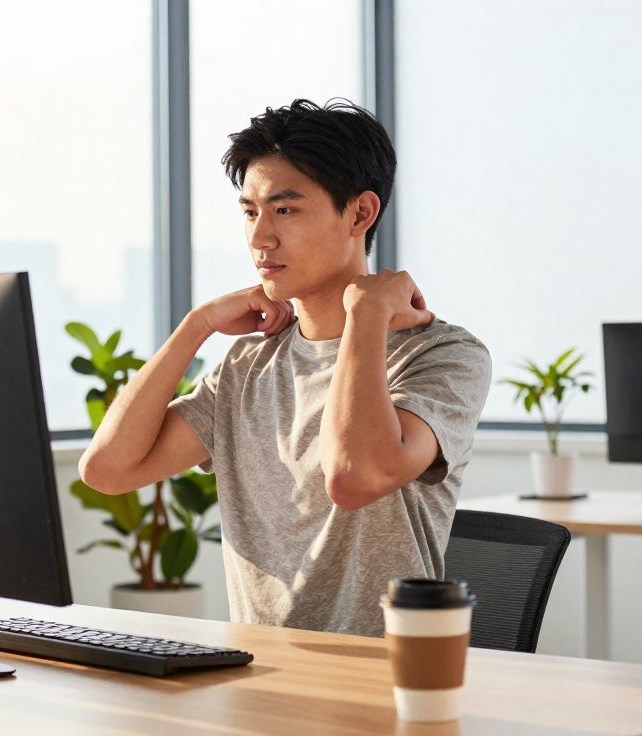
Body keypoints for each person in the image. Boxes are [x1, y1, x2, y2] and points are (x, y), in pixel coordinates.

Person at [79, 99, 492, 637]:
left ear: (360, 214)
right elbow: (108, 471)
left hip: (383, 683)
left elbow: (355, 476)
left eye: (285, 209)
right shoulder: (247, 368)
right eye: (250, 211)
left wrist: (365, 314)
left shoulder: (443, 356)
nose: (259, 238)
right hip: (259, 679)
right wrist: (196, 325)